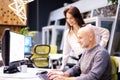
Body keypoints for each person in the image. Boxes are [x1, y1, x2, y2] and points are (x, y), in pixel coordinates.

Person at [47, 26, 111, 80]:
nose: (78, 41)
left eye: (80, 38)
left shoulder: (101, 53)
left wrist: (66, 79)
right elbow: (76, 68)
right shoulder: (86, 51)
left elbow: (93, 77)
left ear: (90, 37)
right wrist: (64, 74)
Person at [60, 6, 110, 70]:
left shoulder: (88, 28)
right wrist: (62, 67)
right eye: (67, 18)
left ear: (77, 17)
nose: (69, 21)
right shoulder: (67, 33)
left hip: (94, 59)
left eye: (71, 18)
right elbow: (66, 51)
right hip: (82, 62)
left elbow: (105, 32)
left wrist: (100, 47)